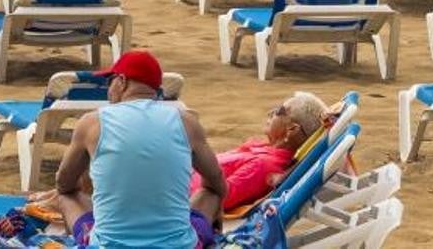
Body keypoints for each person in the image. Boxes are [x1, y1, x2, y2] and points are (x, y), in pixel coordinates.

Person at [54, 50, 226, 249]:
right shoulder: (186, 121)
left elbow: (64, 184)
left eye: (110, 82)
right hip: (179, 245)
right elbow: (217, 183)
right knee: (211, 193)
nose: (109, 89)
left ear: (122, 81)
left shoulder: (92, 123)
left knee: (66, 197)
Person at [188, 91, 329, 221]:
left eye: (279, 111)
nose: (270, 113)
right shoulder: (266, 150)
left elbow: (220, 196)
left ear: (291, 129)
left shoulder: (263, 166)